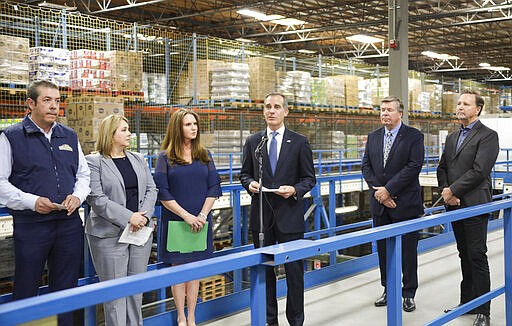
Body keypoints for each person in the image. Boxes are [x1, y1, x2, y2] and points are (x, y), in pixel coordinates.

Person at [0, 80, 90, 325]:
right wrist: (32, 202)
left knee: (67, 287)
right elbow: (1, 183)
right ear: (30, 103)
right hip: (32, 225)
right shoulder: (11, 137)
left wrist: (77, 196)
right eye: (47, 100)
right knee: (27, 286)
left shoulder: (68, 136)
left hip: (68, 224)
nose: (54, 106)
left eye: (57, 101)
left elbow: (83, 175)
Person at [239, 92, 316, 326]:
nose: (271, 111)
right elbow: (244, 173)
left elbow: (309, 179)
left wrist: (293, 190)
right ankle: (269, 321)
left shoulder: (299, 142)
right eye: (268, 107)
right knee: (265, 273)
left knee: (294, 274)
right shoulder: (254, 142)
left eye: (276, 107)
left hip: (289, 216)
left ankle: (295, 320)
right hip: (262, 217)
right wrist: (250, 183)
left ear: (286, 111)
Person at [85, 115, 157, 326]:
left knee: (135, 292)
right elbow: (97, 199)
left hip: (139, 233)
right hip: (109, 236)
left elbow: (152, 189)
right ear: (111, 134)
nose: (129, 134)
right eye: (124, 130)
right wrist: (129, 217)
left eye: (128, 129)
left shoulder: (137, 158)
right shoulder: (95, 162)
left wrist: (142, 215)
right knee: (115, 297)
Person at [153, 108, 222, 326]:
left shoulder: (205, 154)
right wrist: (186, 216)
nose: (193, 128)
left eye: (195, 124)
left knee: (195, 271)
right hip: (176, 221)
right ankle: (180, 316)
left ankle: (192, 316)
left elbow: (214, 186)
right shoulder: (165, 158)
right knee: (178, 271)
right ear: (177, 128)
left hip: (200, 222)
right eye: (188, 124)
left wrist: (201, 215)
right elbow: (162, 192)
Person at [437, 91, 499, 326]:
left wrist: (453, 190)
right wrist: (446, 191)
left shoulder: (488, 136)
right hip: (454, 204)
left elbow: (479, 170)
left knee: (477, 255)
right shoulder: (452, 137)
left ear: (478, 109)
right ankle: (467, 301)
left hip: (474, 203)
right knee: (463, 254)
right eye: (459, 103)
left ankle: (484, 310)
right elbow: (442, 166)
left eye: (466, 104)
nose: (460, 107)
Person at [361, 95, 424, 313]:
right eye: (382, 110)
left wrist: (389, 190)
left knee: (408, 251)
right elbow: (366, 167)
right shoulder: (374, 137)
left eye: (389, 110)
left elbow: (414, 166)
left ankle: (408, 293)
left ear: (400, 113)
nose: (385, 113)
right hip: (380, 204)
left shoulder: (414, 136)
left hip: (405, 204)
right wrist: (380, 192)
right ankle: (389, 289)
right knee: (383, 250)